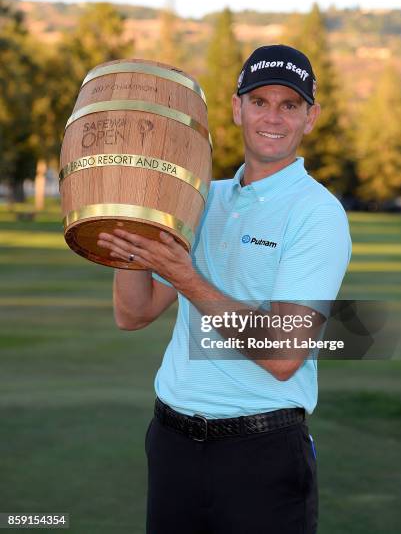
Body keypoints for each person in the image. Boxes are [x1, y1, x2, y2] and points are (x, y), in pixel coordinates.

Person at [97, 44, 352, 534]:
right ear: (237, 108)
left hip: (261, 451)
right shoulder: (202, 197)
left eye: (289, 105)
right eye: (260, 101)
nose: (272, 117)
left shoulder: (317, 213)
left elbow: (283, 355)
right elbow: (133, 313)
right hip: (171, 442)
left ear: (310, 117)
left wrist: (187, 277)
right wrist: (129, 229)